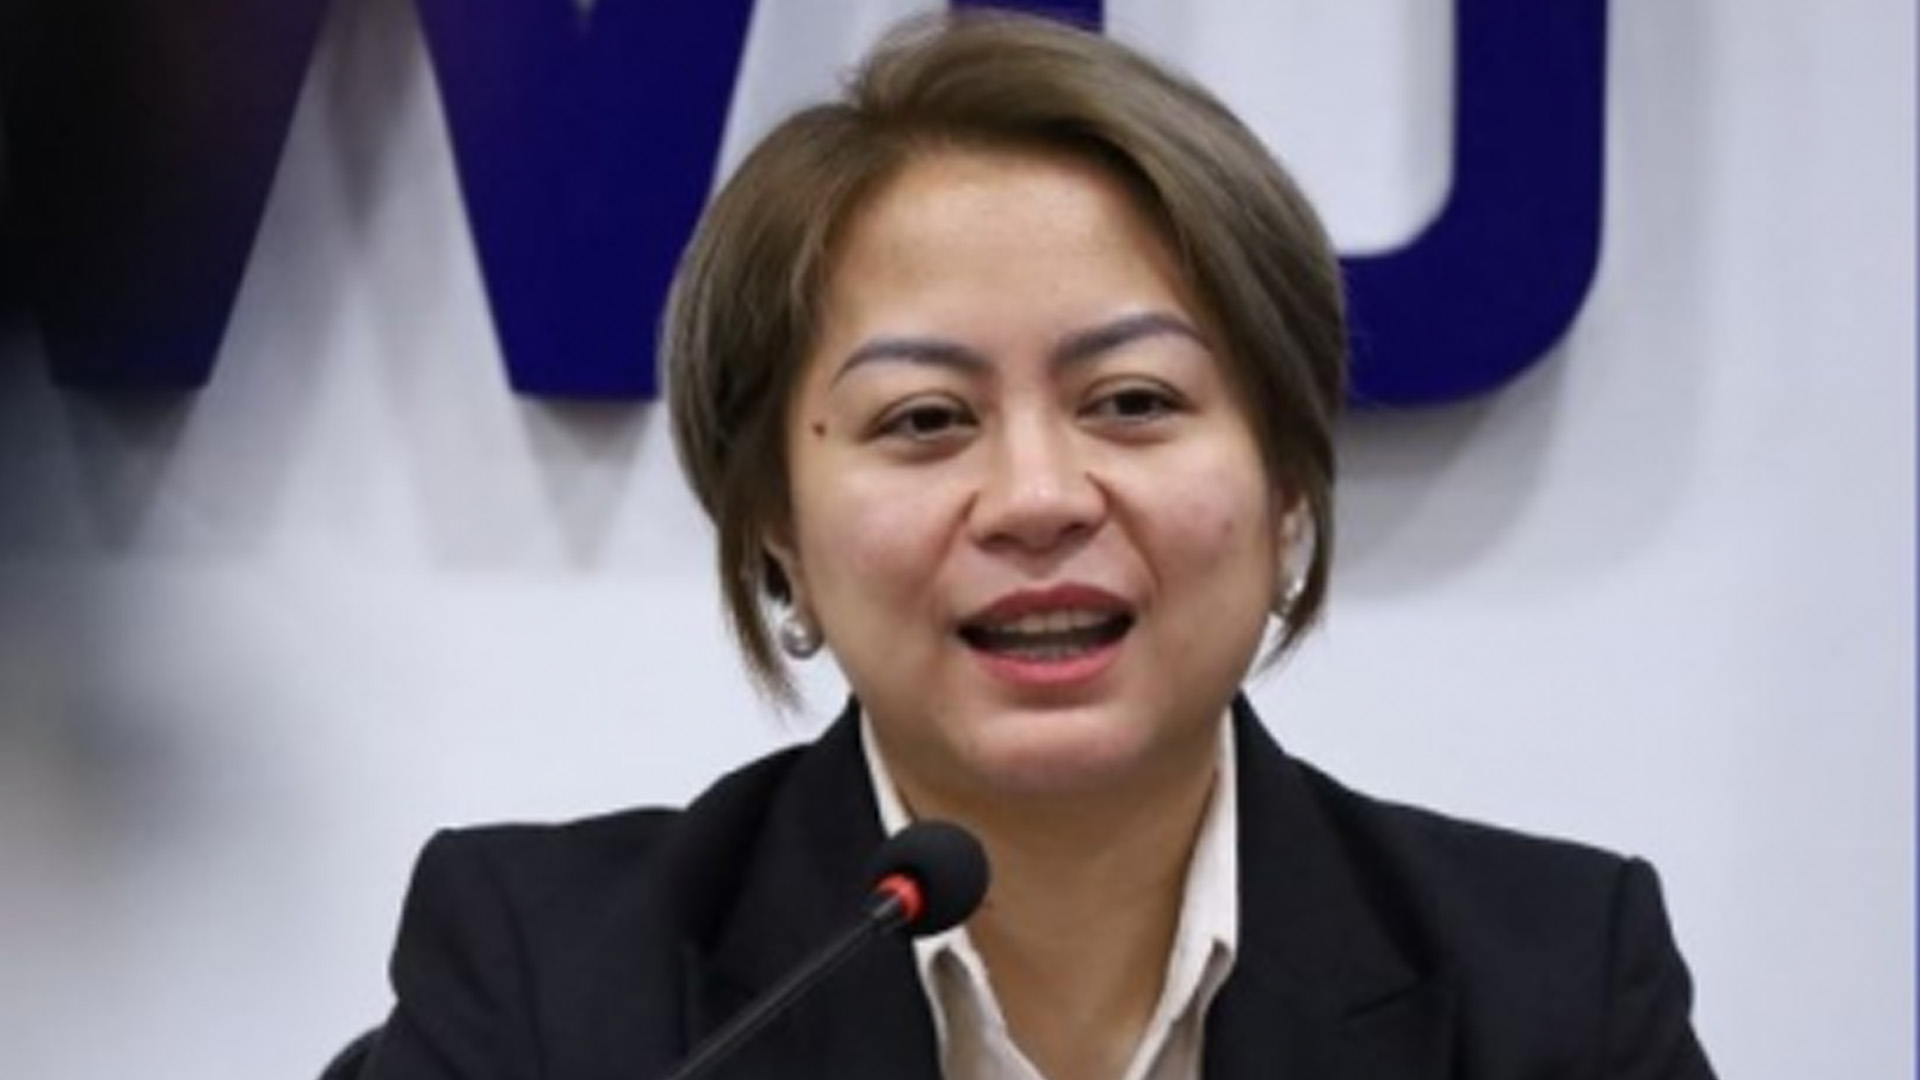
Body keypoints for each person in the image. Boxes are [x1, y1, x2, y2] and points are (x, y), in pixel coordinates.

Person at [346, 12, 1716, 1080]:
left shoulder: (1551, 988)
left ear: (1290, 481)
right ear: (776, 529)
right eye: (926, 419)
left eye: (1133, 402)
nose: (1038, 498)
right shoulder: (549, 983)